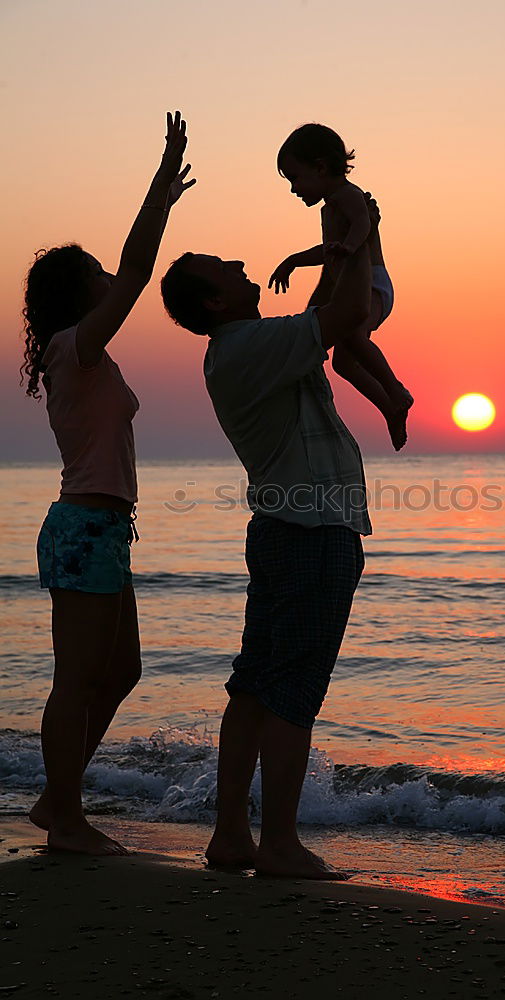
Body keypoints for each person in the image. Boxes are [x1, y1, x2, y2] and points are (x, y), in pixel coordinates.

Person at [160, 211, 378, 879]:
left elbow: (321, 319)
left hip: (289, 531)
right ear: (214, 300)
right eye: (222, 265)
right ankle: (277, 843)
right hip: (310, 533)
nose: (238, 264)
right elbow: (343, 319)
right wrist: (364, 235)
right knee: (292, 689)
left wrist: (335, 259)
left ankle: (232, 836)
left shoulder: (249, 346)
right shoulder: (245, 347)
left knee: (256, 685)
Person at [20, 111, 196, 856]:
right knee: (77, 680)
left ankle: (53, 800)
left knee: (121, 669)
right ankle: (67, 821)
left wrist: (162, 189)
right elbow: (137, 272)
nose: (106, 279)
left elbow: (125, 273)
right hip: (85, 526)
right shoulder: (77, 345)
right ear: (76, 292)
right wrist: (160, 184)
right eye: (93, 273)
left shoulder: (76, 352)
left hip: (101, 528)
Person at [269, 123, 413, 450]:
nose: (294, 188)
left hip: (373, 284)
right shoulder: (329, 206)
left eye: (295, 178)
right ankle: (391, 409)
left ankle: (396, 390)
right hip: (352, 288)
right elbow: (326, 249)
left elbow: (363, 223)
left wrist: (349, 247)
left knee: (353, 336)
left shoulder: (349, 195)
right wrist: (294, 260)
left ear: (320, 167)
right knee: (343, 364)